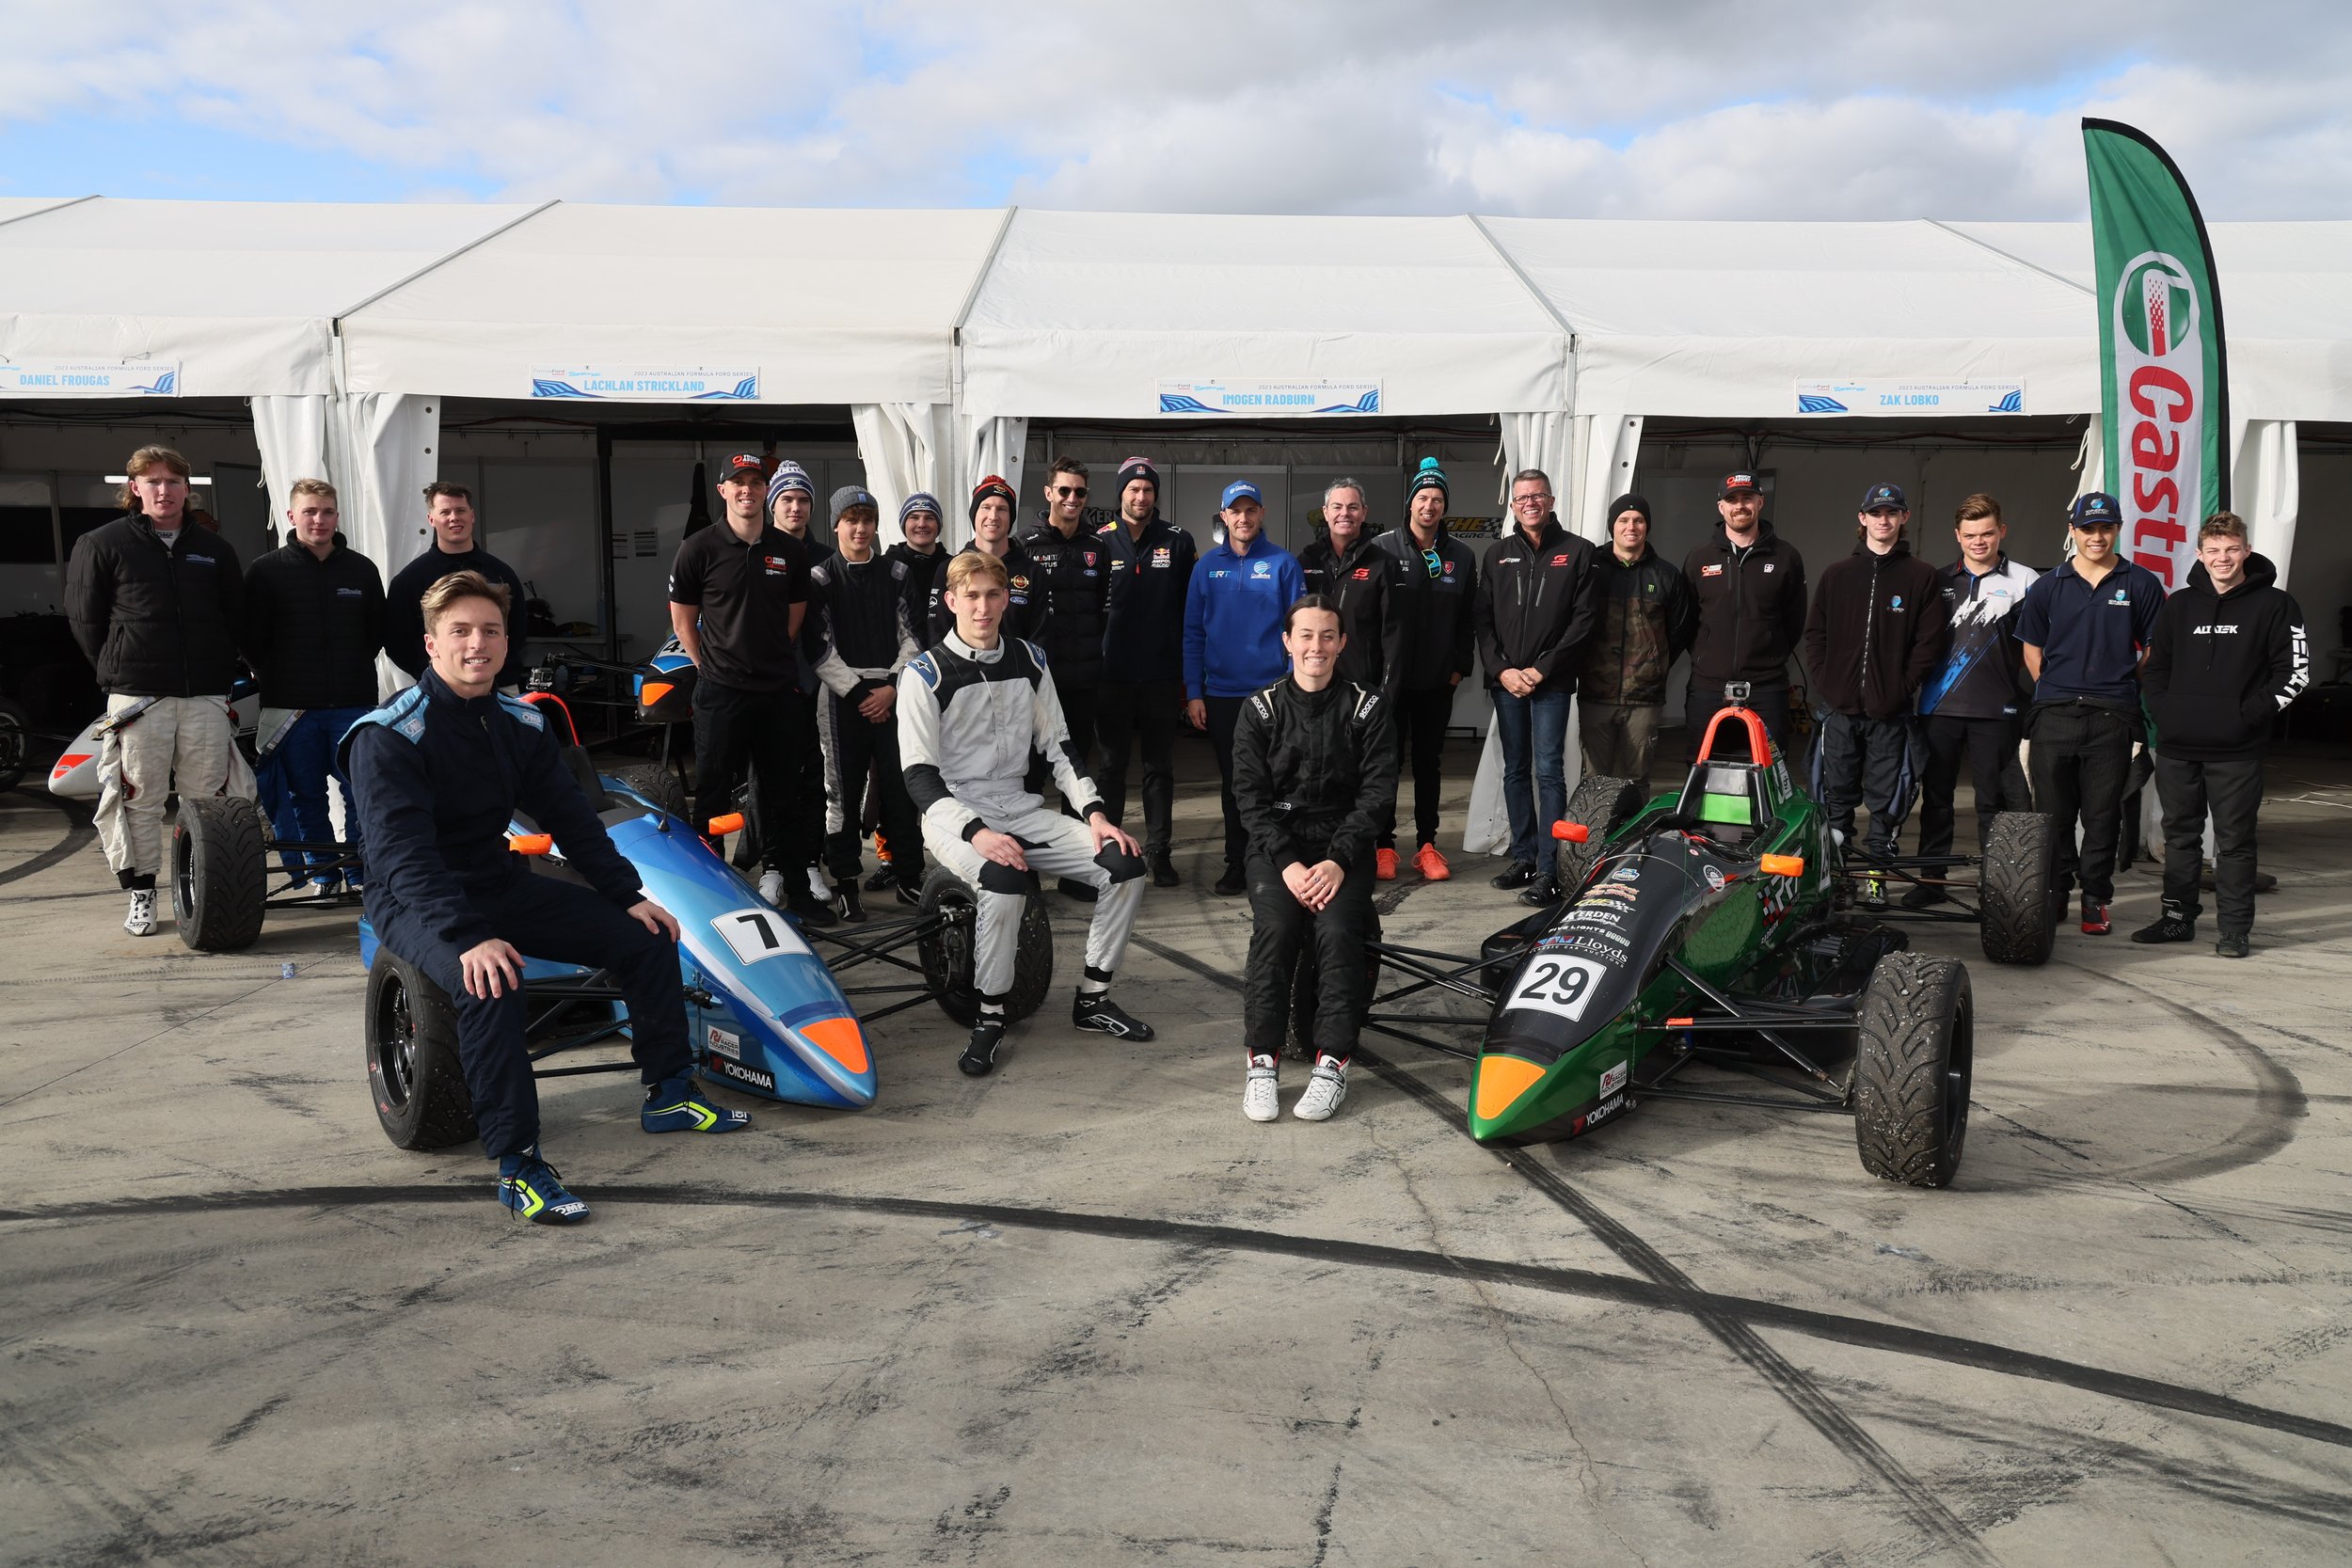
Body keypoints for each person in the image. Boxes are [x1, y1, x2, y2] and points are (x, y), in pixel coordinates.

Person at [346, 571, 751, 1226]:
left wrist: (627, 895)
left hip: (496, 879)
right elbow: (402, 858)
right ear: (430, 643)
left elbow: (573, 819)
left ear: (507, 643)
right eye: (460, 631)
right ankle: (518, 1163)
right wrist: (470, 937)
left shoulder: (520, 723)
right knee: (491, 982)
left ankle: (670, 1093)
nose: (476, 644)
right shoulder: (389, 734)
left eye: (490, 631)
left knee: (647, 937)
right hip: (411, 899)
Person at [898, 551, 1154, 1076]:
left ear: (1006, 600)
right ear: (951, 602)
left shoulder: (1030, 660)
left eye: (993, 595)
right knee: (1005, 879)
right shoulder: (923, 674)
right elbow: (919, 777)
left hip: (1017, 803)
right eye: (971, 596)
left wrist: (1095, 813)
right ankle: (990, 1016)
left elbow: (1060, 746)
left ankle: (1093, 1000)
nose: (983, 607)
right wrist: (977, 833)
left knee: (1124, 865)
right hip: (954, 812)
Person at [64, 444, 253, 936]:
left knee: (210, 802)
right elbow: (85, 620)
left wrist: (221, 669)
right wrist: (117, 668)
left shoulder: (215, 550)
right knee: (137, 799)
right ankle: (141, 893)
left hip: (204, 695)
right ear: (135, 488)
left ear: (187, 489)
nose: (164, 490)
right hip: (139, 697)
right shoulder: (102, 543)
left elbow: (235, 617)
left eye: (173, 481)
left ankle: (205, 891)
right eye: (153, 481)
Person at [1232, 595, 1397, 1123]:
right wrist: (1287, 863)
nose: (1316, 646)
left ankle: (1332, 1064)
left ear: (1342, 643)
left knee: (1338, 931)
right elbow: (1249, 800)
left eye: (1328, 635)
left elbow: (1377, 797)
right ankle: (1262, 1063)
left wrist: (1339, 861)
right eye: (1305, 635)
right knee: (1277, 928)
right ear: (1287, 642)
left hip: (1342, 848)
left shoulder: (1369, 707)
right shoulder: (1259, 709)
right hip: (1277, 849)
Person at [666, 451, 834, 926]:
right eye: (738, 482)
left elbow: (793, 619)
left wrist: (766, 662)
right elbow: (683, 622)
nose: (747, 490)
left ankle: (797, 892)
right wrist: (711, 667)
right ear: (723, 490)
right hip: (721, 693)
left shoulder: (789, 551)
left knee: (785, 796)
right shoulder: (697, 548)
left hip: (778, 693)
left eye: (755, 482)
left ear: (766, 491)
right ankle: (710, 898)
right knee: (713, 796)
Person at [2133, 514, 2309, 957]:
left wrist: (2245, 717)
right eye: (2213, 550)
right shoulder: (2179, 605)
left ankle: (2233, 929)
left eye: (2231, 549)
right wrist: (2167, 714)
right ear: (2199, 554)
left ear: (2246, 551)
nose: (2222, 558)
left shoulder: (2276, 604)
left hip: (2237, 749)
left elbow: (2295, 673)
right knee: (2179, 838)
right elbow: (2155, 669)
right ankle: (2177, 920)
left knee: (2233, 843)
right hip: (2178, 746)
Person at [2014, 491, 2167, 935]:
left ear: (2117, 529)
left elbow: (2154, 647)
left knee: (2102, 817)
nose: (2097, 537)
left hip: (2112, 716)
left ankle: (2096, 900)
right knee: (2054, 816)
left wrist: (2122, 683)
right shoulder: (2048, 585)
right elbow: (2031, 648)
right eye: (2088, 528)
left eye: (2106, 528)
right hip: (2055, 714)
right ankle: (2057, 893)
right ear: (2073, 531)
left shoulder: (2141, 583)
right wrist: (2057, 689)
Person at [1801, 483, 1952, 904]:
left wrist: (1902, 688)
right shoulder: (1837, 575)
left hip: (1891, 712)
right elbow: (1815, 635)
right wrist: (1828, 682)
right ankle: (1838, 878)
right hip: (1840, 710)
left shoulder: (1921, 576)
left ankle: (1875, 875)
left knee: (1887, 801)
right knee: (1836, 799)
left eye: (1892, 512)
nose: (1884, 520)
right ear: (1862, 518)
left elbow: (1929, 642)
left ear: (1904, 518)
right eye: (1876, 512)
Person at [242, 477, 386, 889]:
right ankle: (322, 873)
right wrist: (278, 676)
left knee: (361, 793)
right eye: (309, 512)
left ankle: (358, 873)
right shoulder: (265, 571)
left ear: (337, 516)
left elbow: (376, 631)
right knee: (303, 797)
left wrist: (350, 668)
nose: (318, 520)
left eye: (326, 512)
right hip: (292, 707)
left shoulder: (361, 569)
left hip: (353, 704)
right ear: (292, 516)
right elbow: (249, 638)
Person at [1474, 467, 1604, 906]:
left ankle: (1550, 868)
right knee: (1514, 769)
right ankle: (1524, 857)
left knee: (1548, 770)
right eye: (1522, 498)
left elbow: (1584, 620)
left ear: (1551, 501)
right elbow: (1482, 620)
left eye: (1538, 496)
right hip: (1507, 682)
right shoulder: (1497, 554)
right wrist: (1502, 671)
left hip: (1551, 681)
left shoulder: (1578, 551)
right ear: (1513, 506)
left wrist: (1542, 669)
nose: (1530, 503)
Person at [1906, 493, 2042, 909]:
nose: (1978, 542)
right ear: (1957, 536)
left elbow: (2040, 645)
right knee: (1936, 800)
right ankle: (1932, 880)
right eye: (1970, 535)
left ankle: (1995, 884)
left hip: (1996, 710)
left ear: (2002, 531)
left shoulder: (2026, 580)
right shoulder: (1937, 580)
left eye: (1986, 533)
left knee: (1991, 803)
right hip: (1938, 708)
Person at [1184, 481, 1307, 896]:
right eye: (1235, 511)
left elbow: (1299, 632)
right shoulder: (1205, 568)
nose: (1243, 518)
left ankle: (1279, 862)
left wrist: (1294, 689)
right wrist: (1194, 691)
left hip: (1274, 695)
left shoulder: (1283, 564)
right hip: (1221, 695)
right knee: (1236, 784)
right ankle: (1237, 862)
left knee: (1280, 782)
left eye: (1250, 510)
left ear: (1261, 513)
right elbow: (1193, 633)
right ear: (1223, 516)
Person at [807, 485, 923, 922]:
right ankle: (846, 883)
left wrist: (892, 687)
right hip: (842, 700)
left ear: (876, 525)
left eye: (867, 520)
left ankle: (909, 876)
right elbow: (818, 648)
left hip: (895, 695)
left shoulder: (897, 572)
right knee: (842, 794)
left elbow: (914, 636)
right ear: (836, 525)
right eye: (851, 520)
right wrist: (859, 694)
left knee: (902, 788)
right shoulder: (820, 578)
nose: (860, 528)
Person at [1373, 457, 1478, 882]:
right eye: (1422, 497)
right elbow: (1371, 616)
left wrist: (1458, 670)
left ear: (1444, 506)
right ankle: (1383, 845)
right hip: (1391, 684)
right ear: (1410, 502)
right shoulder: (1383, 547)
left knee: (1428, 765)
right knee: (1386, 763)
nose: (1429, 505)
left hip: (1437, 682)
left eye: (1437, 499)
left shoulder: (1461, 556)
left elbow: (1468, 618)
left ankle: (1427, 846)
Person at [1093, 456, 1197, 886]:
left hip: (1160, 675)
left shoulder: (1178, 540)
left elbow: (1191, 611)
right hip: (1111, 676)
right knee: (1111, 767)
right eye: (1133, 489)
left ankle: (1159, 852)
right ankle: (1112, 852)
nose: (1140, 496)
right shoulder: (1099, 541)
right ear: (1121, 494)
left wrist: (1187, 677)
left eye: (1148, 489)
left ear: (1156, 494)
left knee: (1159, 768)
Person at [1298, 478, 1407, 875]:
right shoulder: (1306, 559)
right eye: (1337, 507)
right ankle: (1324, 847)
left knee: (1370, 774)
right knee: (1322, 768)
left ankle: (1380, 847)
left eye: (1353, 507)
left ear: (1364, 513)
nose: (1345, 513)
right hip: (1315, 691)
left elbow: (1394, 635)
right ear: (1325, 513)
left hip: (1363, 692)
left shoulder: (1383, 563)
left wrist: (1385, 694)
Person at [1020, 457, 1116, 902]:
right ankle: (1023, 871)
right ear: (1049, 493)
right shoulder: (1025, 544)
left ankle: (1076, 872)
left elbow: (1101, 612)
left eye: (1079, 492)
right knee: (1029, 777)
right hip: (1038, 682)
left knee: (1076, 774)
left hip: (1083, 681)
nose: (1072, 499)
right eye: (1064, 490)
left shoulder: (1099, 546)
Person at [1577, 492, 1696, 789]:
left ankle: (1634, 823)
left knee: (1637, 779)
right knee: (1594, 780)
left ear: (1647, 526)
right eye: (1623, 520)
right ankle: (1595, 823)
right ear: (1612, 526)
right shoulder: (1590, 569)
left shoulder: (1666, 574)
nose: (1631, 526)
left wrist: (1653, 664)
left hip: (1644, 698)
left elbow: (1679, 630)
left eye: (1639, 520)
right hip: (1596, 693)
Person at [1683, 471, 1807, 754]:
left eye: (1747, 498)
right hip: (1708, 686)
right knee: (1702, 767)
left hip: (1766, 686)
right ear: (1721, 507)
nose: (1740, 506)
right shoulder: (1699, 558)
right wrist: (1705, 655)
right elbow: (1687, 620)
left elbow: (1794, 619)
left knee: (1768, 768)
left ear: (1760, 502)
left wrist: (1771, 653)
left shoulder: (1786, 557)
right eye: (1732, 500)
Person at [764, 459, 834, 910]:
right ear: (773, 505)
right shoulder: (755, 550)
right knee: (770, 780)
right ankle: (773, 865)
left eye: (803, 499)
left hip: (816, 685)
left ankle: (809, 862)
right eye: (787, 499)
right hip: (767, 685)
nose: (795, 507)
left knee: (814, 779)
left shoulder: (825, 556)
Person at [385, 482, 530, 689]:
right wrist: (432, 673)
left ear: (472, 516)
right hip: (439, 691)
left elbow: (517, 630)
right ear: (431, 519)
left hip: (500, 687)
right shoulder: (410, 579)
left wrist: (495, 671)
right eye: (445, 512)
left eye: (460, 510)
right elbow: (396, 641)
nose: (454, 517)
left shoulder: (501, 573)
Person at [927, 476, 1042, 644]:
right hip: (960, 662)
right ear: (974, 515)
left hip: (1019, 661)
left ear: (1011, 517)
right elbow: (937, 632)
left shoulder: (1033, 572)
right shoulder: (948, 569)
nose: (993, 516)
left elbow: (1042, 636)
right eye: (986, 507)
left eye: (1002, 509)